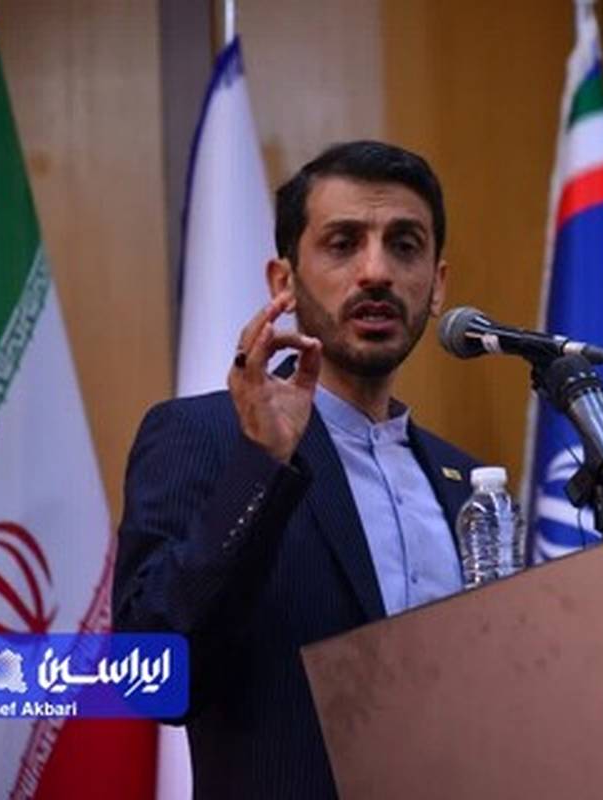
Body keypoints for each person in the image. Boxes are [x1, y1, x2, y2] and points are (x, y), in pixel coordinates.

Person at [113, 141, 480, 798]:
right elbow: (150, 678)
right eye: (343, 244)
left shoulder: (466, 482)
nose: (377, 272)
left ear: (437, 286)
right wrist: (263, 464)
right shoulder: (206, 437)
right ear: (283, 283)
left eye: (404, 246)